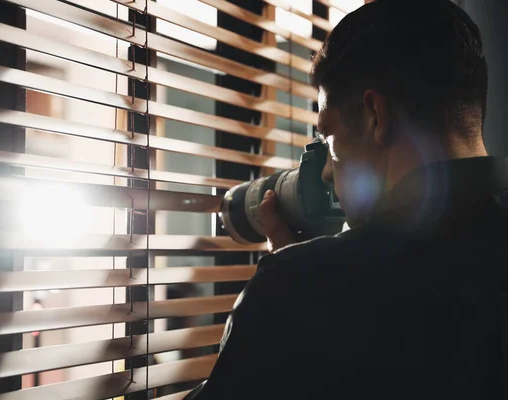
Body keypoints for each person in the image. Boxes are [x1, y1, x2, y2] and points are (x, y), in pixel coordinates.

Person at [185, 0, 508, 398]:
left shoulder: (297, 288)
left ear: (376, 115)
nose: (327, 171)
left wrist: (296, 284)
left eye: (330, 139)